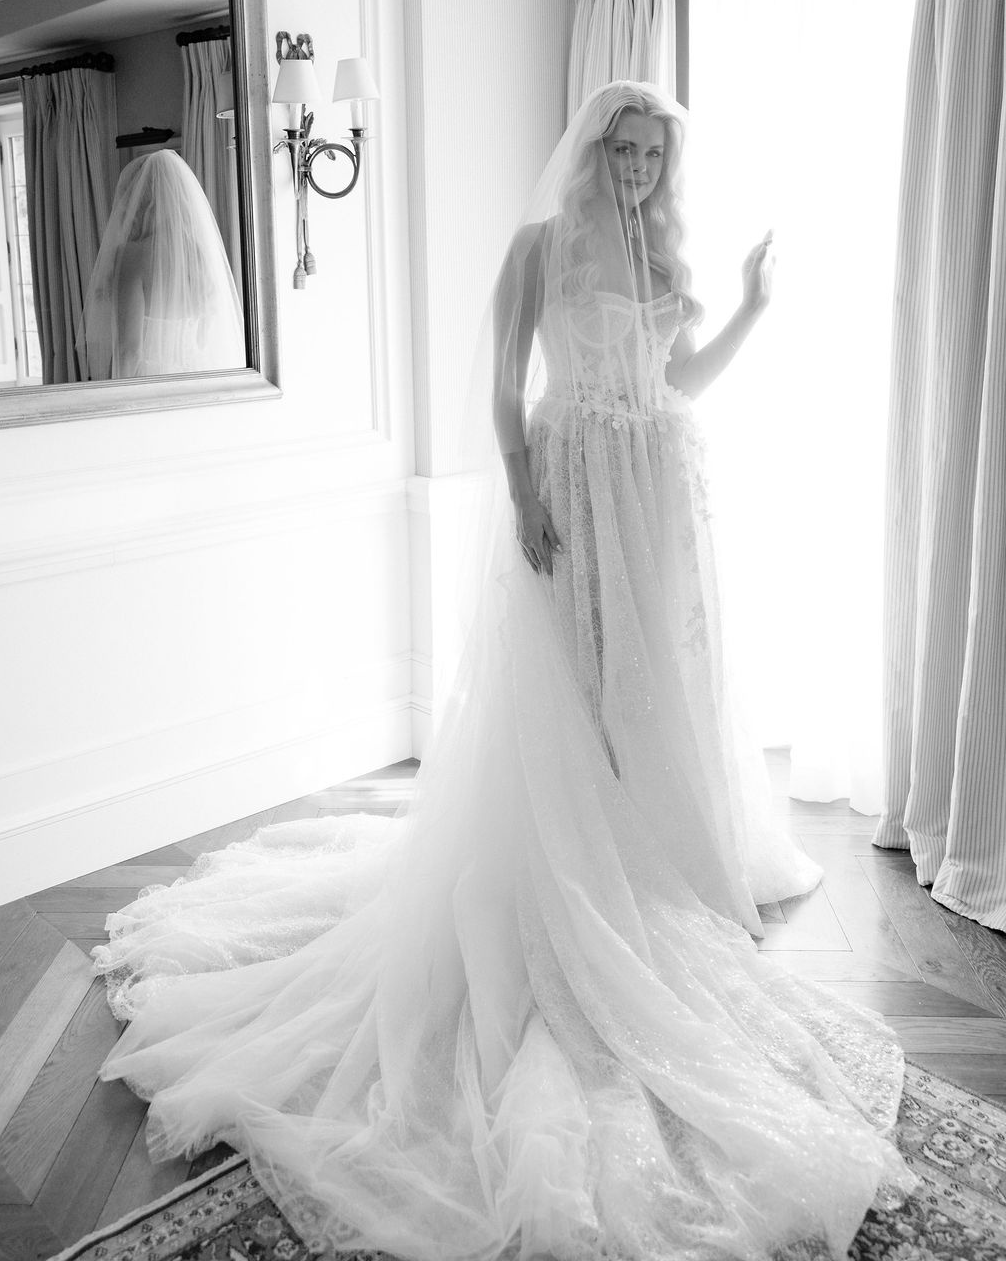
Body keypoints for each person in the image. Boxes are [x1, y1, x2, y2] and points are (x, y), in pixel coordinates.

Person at [94, 83, 915, 1261]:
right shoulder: (539, 248)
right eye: (621, 149)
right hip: (573, 493)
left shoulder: (660, 248)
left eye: (652, 155)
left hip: (659, 504)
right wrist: (528, 491)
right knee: (572, 698)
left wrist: (748, 307)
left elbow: (674, 386)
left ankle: (650, 864)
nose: (636, 170)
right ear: (589, 151)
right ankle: (569, 875)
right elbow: (497, 387)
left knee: (655, 696)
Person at [79, 149, 245, 380]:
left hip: (151, 383)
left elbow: (129, 350)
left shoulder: (132, 257)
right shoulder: (200, 256)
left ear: (140, 202)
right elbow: (209, 335)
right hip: (200, 378)